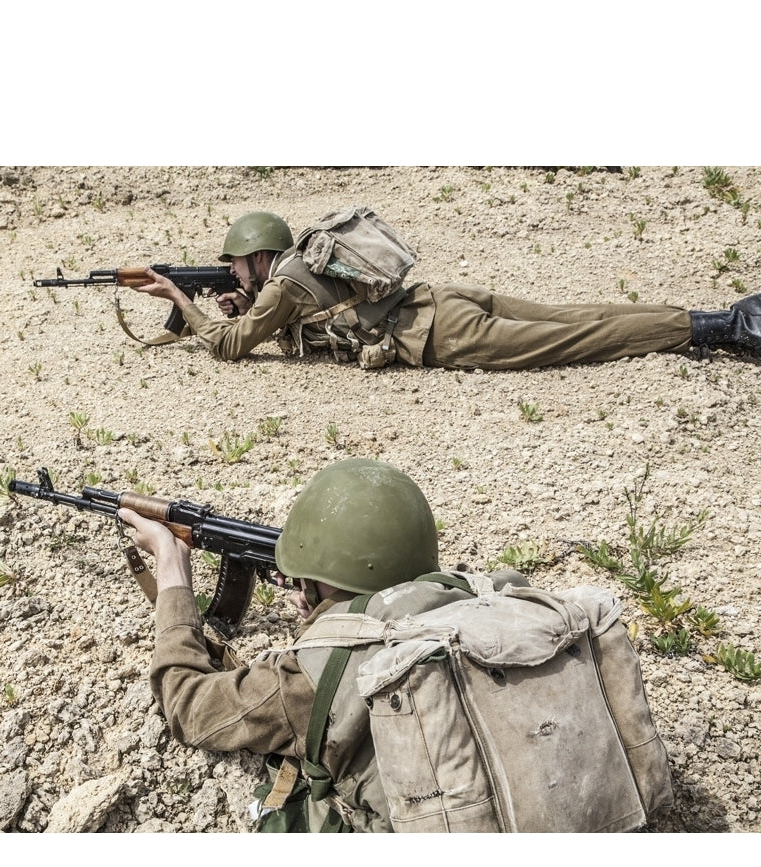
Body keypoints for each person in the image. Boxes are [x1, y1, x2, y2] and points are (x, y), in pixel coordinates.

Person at [117, 457, 530, 832]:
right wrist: (332, 613)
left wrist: (172, 568)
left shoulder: (307, 682)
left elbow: (188, 705)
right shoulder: (490, 595)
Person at [129, 210, 761, 369]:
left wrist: (179, 300)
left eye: (237, 265)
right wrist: (243, 304)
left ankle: (724, 329)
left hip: (438, 332)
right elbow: (291, 318)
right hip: (443, 299)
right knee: (579, 313)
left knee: (575, 340)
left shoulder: (282, 282)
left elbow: (232, 346)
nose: (233, 274)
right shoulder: (302, 264)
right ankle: (715, 314)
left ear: (259, 255)